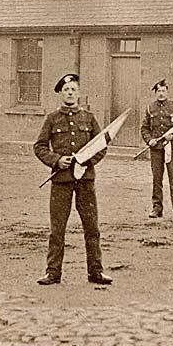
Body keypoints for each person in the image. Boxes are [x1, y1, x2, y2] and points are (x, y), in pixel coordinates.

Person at [33, 73, 113, 285]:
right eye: (66, 90)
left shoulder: (88, 118)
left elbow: (101, 145)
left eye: (74, 90)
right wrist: (57, 160)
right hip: (61, 181)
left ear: (79, 93)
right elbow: (39, 147)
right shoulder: (52, 118)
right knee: (57, 229)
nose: (70, 93)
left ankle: (96, 271)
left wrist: (87, 162)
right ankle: (53, 273)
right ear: (61, 93)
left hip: (85, 180)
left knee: (92, 227)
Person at [140, 78, 173, 219]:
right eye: (159, 91)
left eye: (163, 91)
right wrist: (150, 140)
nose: (161, 93)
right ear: (156, 93)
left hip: (171, 148)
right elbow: (144, 128)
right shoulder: (150, 108)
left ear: (167, 92)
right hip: (156, 150)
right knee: (157, 179)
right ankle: (156, 208)